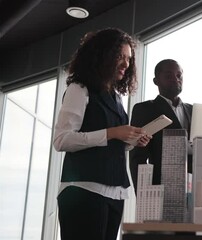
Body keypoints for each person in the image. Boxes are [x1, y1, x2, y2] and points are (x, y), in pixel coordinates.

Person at [53, 28, 151, 240]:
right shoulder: (79, 88)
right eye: (120, 57)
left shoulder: (116, 98)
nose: (126, 64)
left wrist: (132, 141)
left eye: (128, 59)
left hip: (115, 193)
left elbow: (113, 140)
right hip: (83, 191)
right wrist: (113, 132)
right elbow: (62, 140)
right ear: (102, 55)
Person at [129, 59, 193, 191]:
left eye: (179, 75)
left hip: (193, 186)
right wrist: (142, 194)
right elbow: (137, 156)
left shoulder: (194, 111)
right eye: (168, 76)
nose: (175, 79)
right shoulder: (144, 109)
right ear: (156, 81)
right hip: (160, 187)